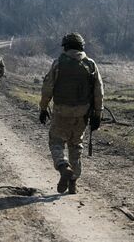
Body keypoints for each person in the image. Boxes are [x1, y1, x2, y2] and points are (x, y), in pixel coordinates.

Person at [39, 33, 104, 194]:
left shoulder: (58, 63)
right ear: (81, 46)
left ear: (66, 47)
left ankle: (62, 166)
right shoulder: (90, 64)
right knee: (76, 146)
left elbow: (48, 88)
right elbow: (99, 91)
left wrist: (43, 108)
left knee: (56, 142)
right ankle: (73, 182)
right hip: (82, 114)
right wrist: (98, 114)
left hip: (61, 111)